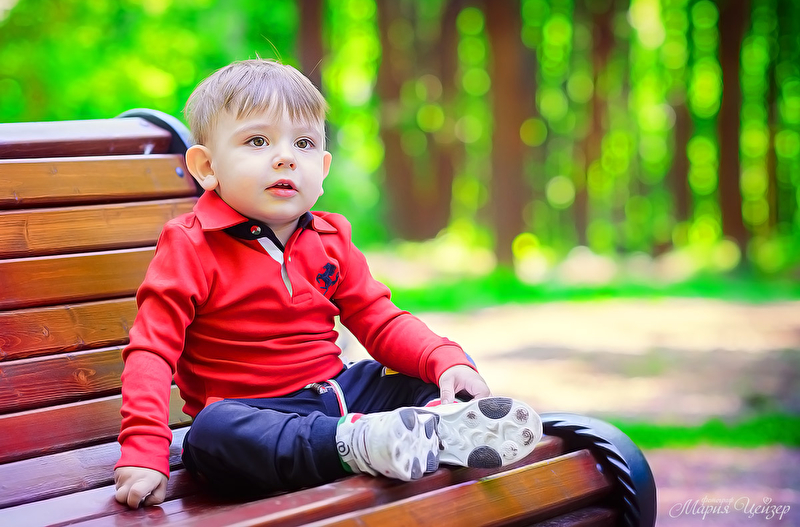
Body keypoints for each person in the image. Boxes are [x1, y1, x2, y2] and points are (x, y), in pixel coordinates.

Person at [113, 59, 543, 509]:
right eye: (257, 141)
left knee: (433, 372)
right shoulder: (191, 245)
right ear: (206, 167)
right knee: (210, 434)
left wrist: (444, 360)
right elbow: (152, 350)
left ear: (322, 166)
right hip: (260, 419)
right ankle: (360, 445)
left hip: (335, 395)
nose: (285, 156)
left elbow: (379, 319)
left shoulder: (329, 238)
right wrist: (143, 450)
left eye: (303, 143)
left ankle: (442, 425)